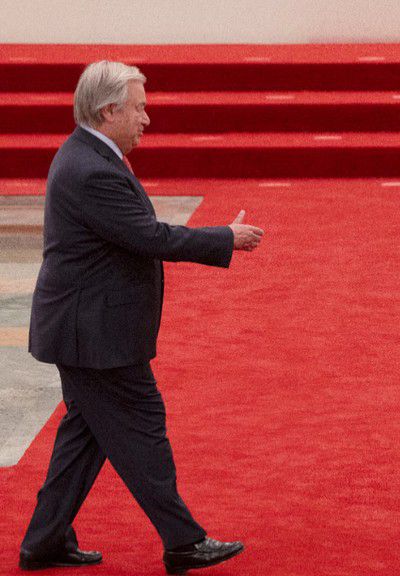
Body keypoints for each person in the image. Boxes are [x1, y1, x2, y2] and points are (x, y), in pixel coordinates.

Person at [19, 61, 263, 574]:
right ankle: (183, 540)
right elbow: (148, 236)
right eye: (139, 108)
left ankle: (43, 541)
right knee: (141, 427)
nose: (146, 119)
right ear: (109, 111)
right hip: (93, 336)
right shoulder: (90, 169)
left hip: (86, 329)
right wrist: (224, 238)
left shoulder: (88, 155)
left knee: (84, 436)